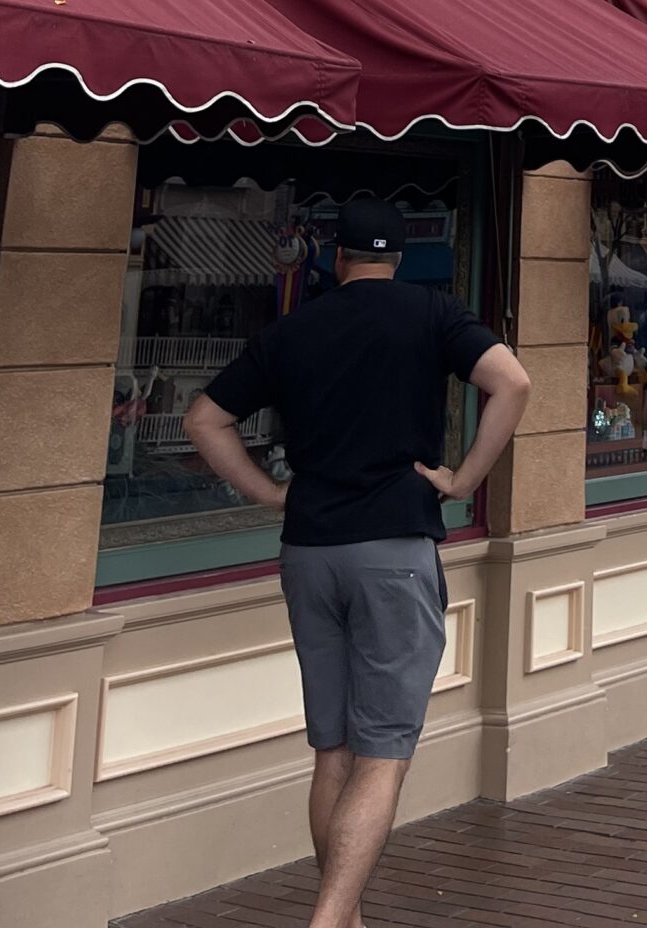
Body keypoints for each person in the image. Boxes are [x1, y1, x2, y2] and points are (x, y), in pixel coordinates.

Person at [186, 202, 531, 928]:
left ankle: (346, 916)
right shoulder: (434, 314)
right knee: (382, 754)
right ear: (399, 261)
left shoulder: (294, 329)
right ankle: (330, 919)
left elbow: (204, 419)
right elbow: (513, 383)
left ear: (336, 259)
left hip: (310, 553)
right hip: (394, 552)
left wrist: (272, 495)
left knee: (333, 749)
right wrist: (464, 481)